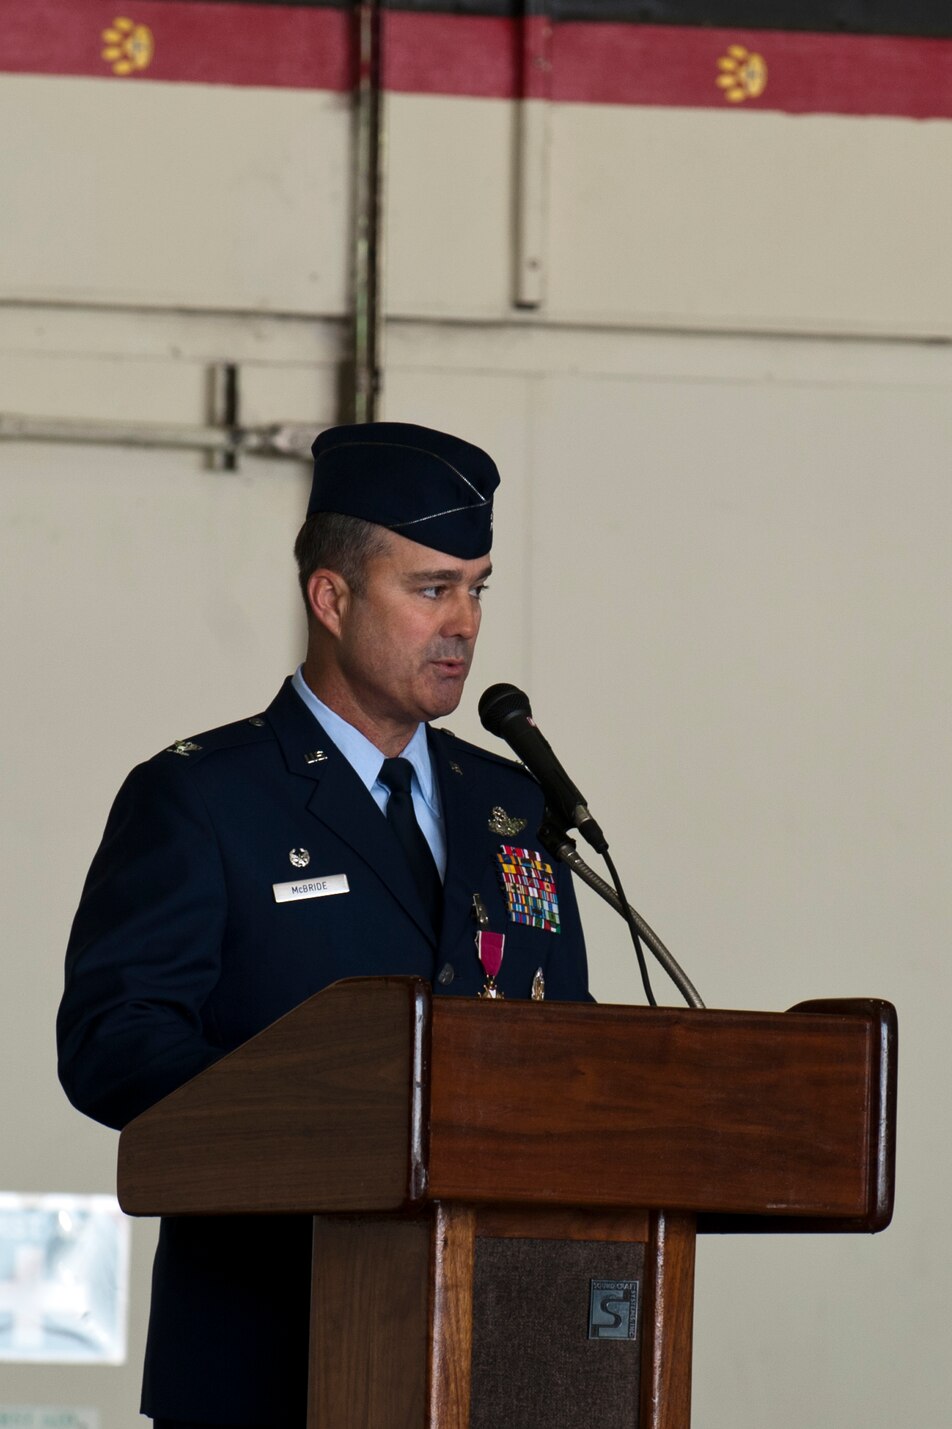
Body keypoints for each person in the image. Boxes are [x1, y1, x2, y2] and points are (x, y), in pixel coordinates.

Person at [56, 421, 592, 1428]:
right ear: (332, 597)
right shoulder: (206, 799)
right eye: (431, 588)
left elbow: (566, 1040)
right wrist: (330, 1116)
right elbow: (111, 1043)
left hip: (497, 1353)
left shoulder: (512, 805)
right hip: (268, 1350)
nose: (464, 623)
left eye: (478, 588)